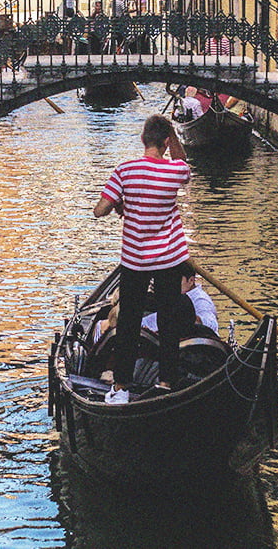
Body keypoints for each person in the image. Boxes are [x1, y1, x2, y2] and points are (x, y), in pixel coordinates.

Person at [93, 115, 193, 398]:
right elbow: (184, 164)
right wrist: (173, 138)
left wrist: (120, 204)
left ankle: (121, 386)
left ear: (142, 140)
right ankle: (165, 383)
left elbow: (99, 210)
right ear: (165, 142)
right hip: (169, 259)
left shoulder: (125, 171)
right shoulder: (175, 172)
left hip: (135, 259)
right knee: (168, 321)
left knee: (128, 322)